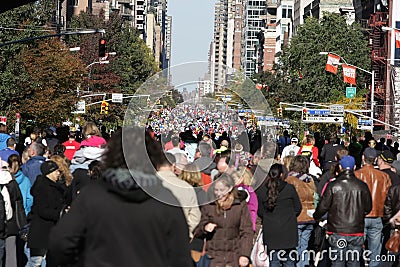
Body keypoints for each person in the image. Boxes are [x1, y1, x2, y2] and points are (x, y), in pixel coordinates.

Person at [49, 127, 192, 266]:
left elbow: (61, 242)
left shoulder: (93, 196)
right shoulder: (165, 200)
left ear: (111, 155)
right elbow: (180, 257)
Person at [314, 156, 372, 267]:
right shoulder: (362, 186)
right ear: (354, 167)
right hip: (356, 229)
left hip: (337, 230)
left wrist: (317, 217)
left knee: (337, 262)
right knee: (354, 262)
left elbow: (323, 207)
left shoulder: (333, 185)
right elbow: (368, 208)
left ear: (340, 167)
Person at [194, 174, 253, 267]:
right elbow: (197, 231)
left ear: (230, 189)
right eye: (216, 190)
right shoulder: (209, 205)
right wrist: (205, 227)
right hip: (214, 258)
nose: (218, 193)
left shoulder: (239, 205)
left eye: (222, 190)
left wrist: (244, 254)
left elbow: (247, 231)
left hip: (234, 257)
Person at [256, 163, 302, 267]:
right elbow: (298, 208)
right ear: (281, 174)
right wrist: (289, 216)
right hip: (288, 231)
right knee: (289, 261)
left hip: (271, 231)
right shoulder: (289, 188)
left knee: (274, 261)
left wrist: (270, 217)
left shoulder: (262, 190)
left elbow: (260, 212)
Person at [355, 148, 392, 267]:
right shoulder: (384, 176)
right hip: (377, 215)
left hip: (360, 216)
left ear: (362, 158)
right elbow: (388, 196)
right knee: (375, 252)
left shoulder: (357, 175)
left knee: (355, 250)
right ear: (375, 159)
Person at [26, 160, 67, 267]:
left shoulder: (55, 187)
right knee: (36, 262)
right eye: (56, 171)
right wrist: (60, 213)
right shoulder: (43, 187)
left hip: (50, 233)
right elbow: (42, 210)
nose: (59, 173)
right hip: (41, 233)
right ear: (50, 172)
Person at [156, 153, 201, 238]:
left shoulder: (147, 185)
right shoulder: (186, 187)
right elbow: (195, 216)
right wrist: (186, 231)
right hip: (178, 236)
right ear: (174, 165)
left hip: (152, 237)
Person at [286, 155, 316, 267]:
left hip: (297, 217)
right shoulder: (310, 180)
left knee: (296, 246)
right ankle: (304, 264)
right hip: (310, 216)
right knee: (304, 245)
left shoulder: (290, 179)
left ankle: (298, 264)